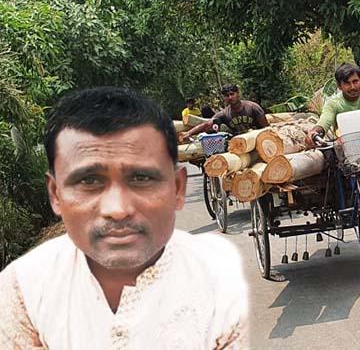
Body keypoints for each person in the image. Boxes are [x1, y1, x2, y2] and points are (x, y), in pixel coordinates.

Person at [0, 87, 248, 348]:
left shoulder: (219, 292)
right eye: (89, 181)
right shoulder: (22, 298)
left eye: (141, 178)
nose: (117, 209)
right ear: (55, 194)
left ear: (177, 189)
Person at [306, 63, 360, 141]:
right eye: (347, 83)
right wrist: (315, 132)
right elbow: (324, 122)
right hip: (344, 147)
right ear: (339, 86)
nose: (352, 87)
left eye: (355, 81)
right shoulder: (333, 104)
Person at [180, 84, 269, 140]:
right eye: (227, 95)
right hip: (239, 144)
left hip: (258, 140)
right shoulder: (224, 114)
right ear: (224, 98)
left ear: (238, 94)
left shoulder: (253, 108)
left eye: (232, 94)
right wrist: (189, 133)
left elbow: (266, 129)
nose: (230, 97)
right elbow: (207, 124)